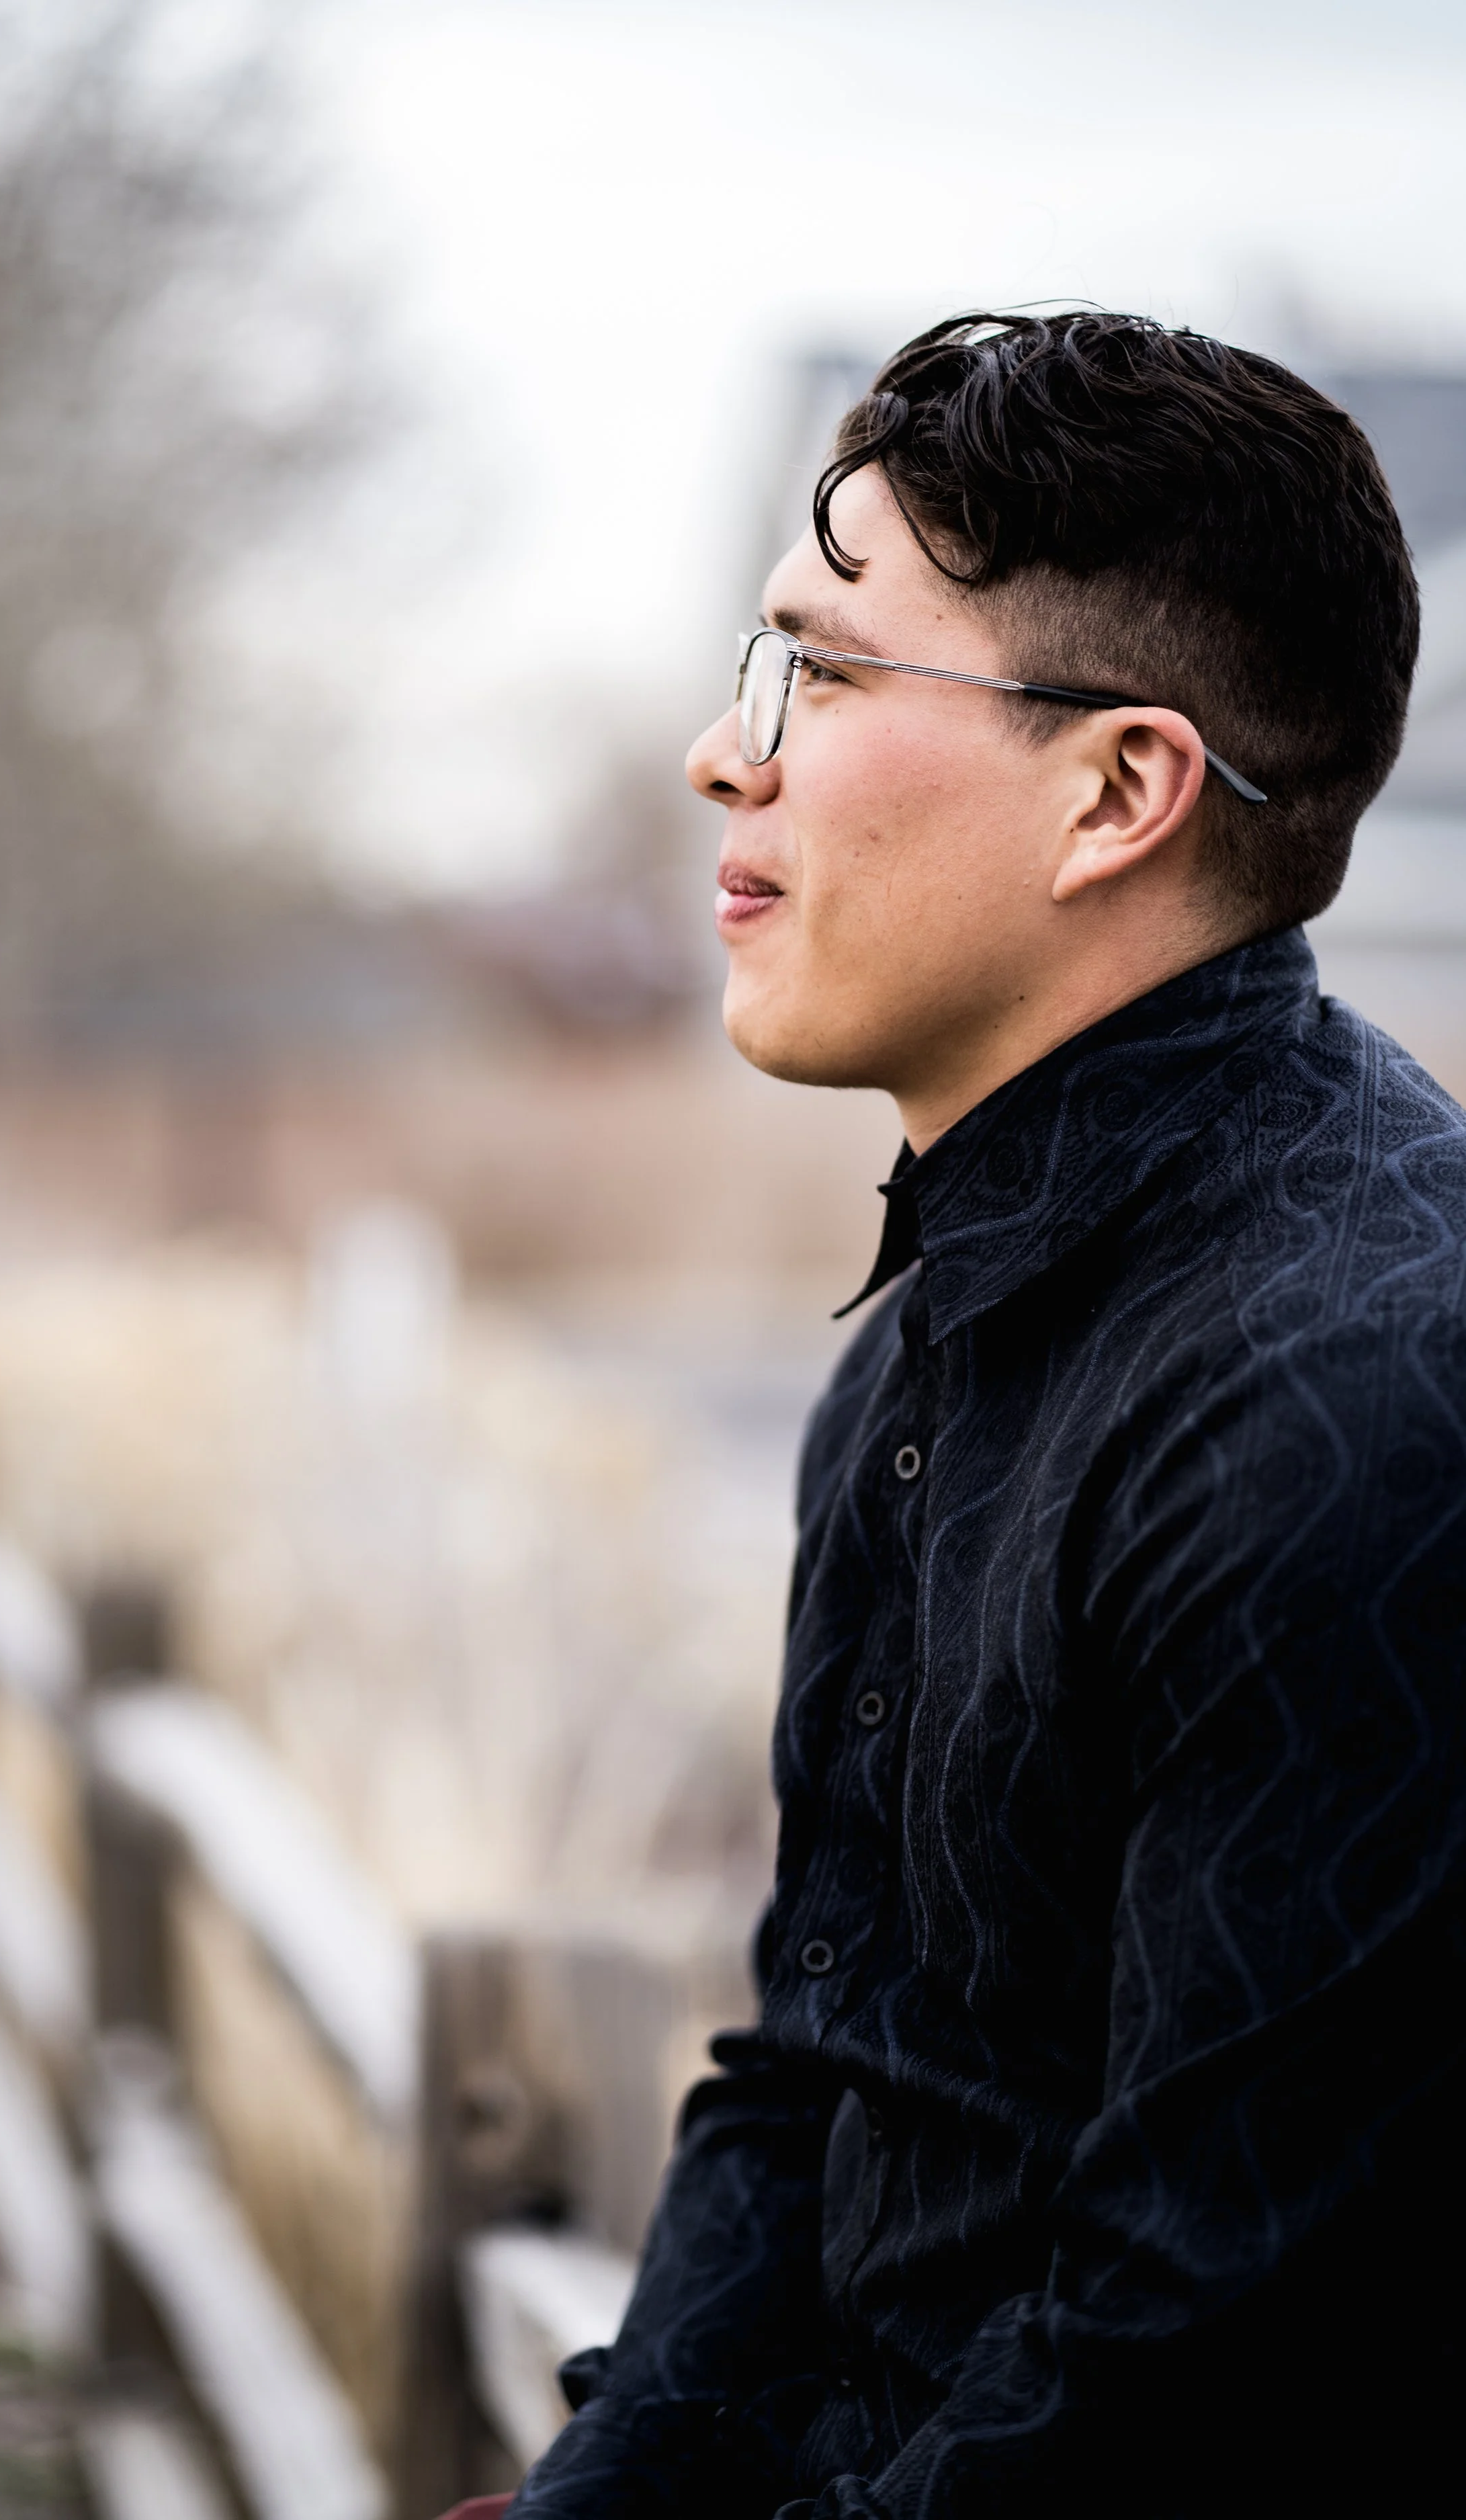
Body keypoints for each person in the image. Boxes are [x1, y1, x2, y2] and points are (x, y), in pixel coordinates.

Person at [497, 312, 1465, 2518]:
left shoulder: (1357, 1407)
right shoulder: (935, 1325)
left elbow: (1195, 2359)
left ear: (1115, 791)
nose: (719, 757)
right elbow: (814, 2078)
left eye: (819, 673)